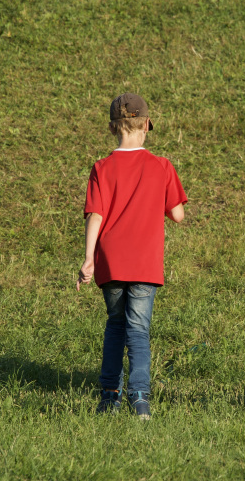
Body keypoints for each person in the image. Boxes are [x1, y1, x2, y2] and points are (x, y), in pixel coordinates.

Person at [77, 93, 187, 420]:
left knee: (115, 326)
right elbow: (178, 215)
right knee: (138, 330)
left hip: (110, 261)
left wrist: (88, 258)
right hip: (144, 263)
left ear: (113, 128)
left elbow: (95, 215)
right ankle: (140, 400)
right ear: (146, 125)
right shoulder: (161, 166)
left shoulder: (102, 168)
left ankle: (109, 397)